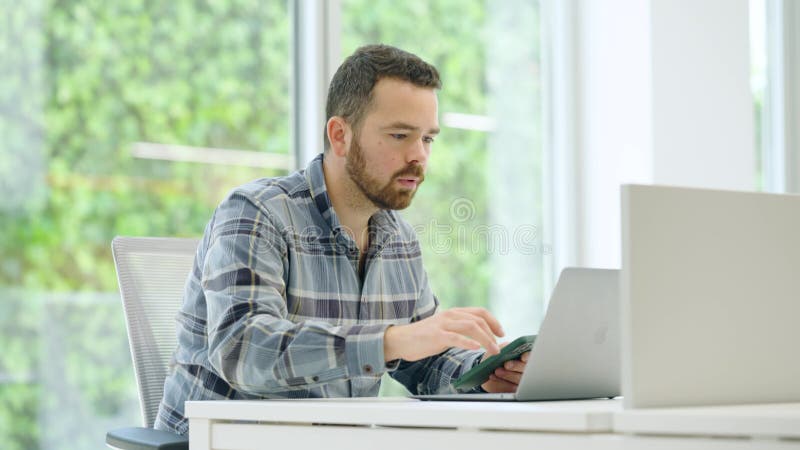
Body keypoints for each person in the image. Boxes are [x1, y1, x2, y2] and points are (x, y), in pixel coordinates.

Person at [155, 44, 530, 435]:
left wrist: (487, 373)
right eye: (400, 135)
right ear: (340, 136)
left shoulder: (398, 240)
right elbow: (244, 351)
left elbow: (424, 361)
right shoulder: (257, 213)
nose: (418, 156)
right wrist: (388, 342)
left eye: (428, 139)